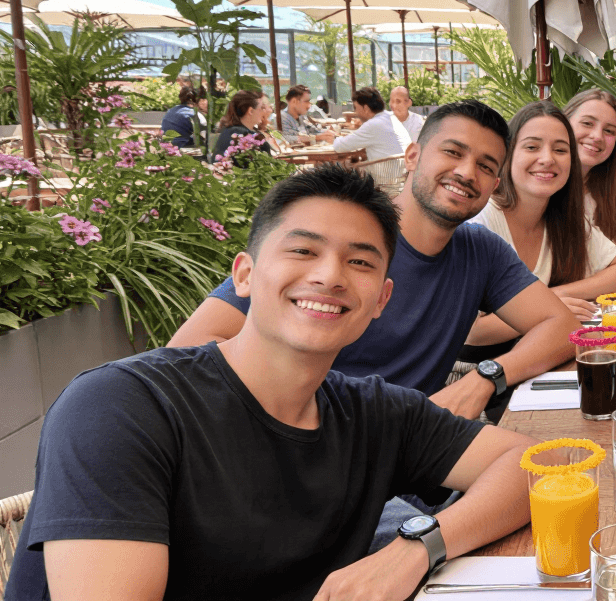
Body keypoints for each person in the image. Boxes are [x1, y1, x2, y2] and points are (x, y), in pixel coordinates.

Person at [5, 165, 536, 601]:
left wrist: (417, 546)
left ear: (381, 300)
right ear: (243, 276)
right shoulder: (121, 408)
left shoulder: (373, 412)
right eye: (303, 251)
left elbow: (543, 464)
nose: (330, 275)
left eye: (359, 261)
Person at [168, 100, 578, 423]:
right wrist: (319, 418)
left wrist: (485, 379)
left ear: (494, 184)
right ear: (413, 155)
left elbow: (562, 327)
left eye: (486, 167)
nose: (467, 172)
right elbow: (184, 353)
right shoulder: (341, 238)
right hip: (322, 458)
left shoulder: (480, 251)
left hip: (415, 454)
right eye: (453, 152)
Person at [465, 101, 616, 361]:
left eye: (561, 150)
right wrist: (548, 308)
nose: (547, 159)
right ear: (507, 156)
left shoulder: (564, 218)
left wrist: (557, 297)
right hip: (476, 373)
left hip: (539, 363)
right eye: (532, 147)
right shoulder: (481, 221)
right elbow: (471, 332)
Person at [563, 89, 616, 249]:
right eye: (587, 123)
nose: (597, 136)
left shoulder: (608, 197)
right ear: (564, 123)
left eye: (609, 131)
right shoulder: (543, 189)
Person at [333, 87, 412, 161]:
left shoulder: (372, 125)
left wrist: (334, 137)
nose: (355, 112)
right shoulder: (391, 116)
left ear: (366, 108)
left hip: (385, 173)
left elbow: (339, 146)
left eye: (356, 108)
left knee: (341, 168)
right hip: (404, 170)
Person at [211, 89, 275, 166]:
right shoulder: (245, 135)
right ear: (251, 111)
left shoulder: (228, 130)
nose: (263, 112)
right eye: (261, 108)